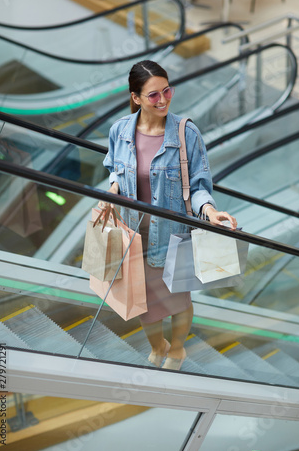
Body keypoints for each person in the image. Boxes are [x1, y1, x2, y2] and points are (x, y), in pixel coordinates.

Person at [100, 60, 237, 370]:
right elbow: (114, 167)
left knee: (179, 301)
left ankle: (176, 347)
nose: (162, 100)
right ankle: (156, 344)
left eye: (166, 91)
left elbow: (199, 184)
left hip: (174, 235)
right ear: (135, 97)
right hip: (135, 235)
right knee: (144, 305)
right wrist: (112, 188)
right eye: (153, 95)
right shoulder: (119, 130)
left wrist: (209, 210)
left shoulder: (186, 133)